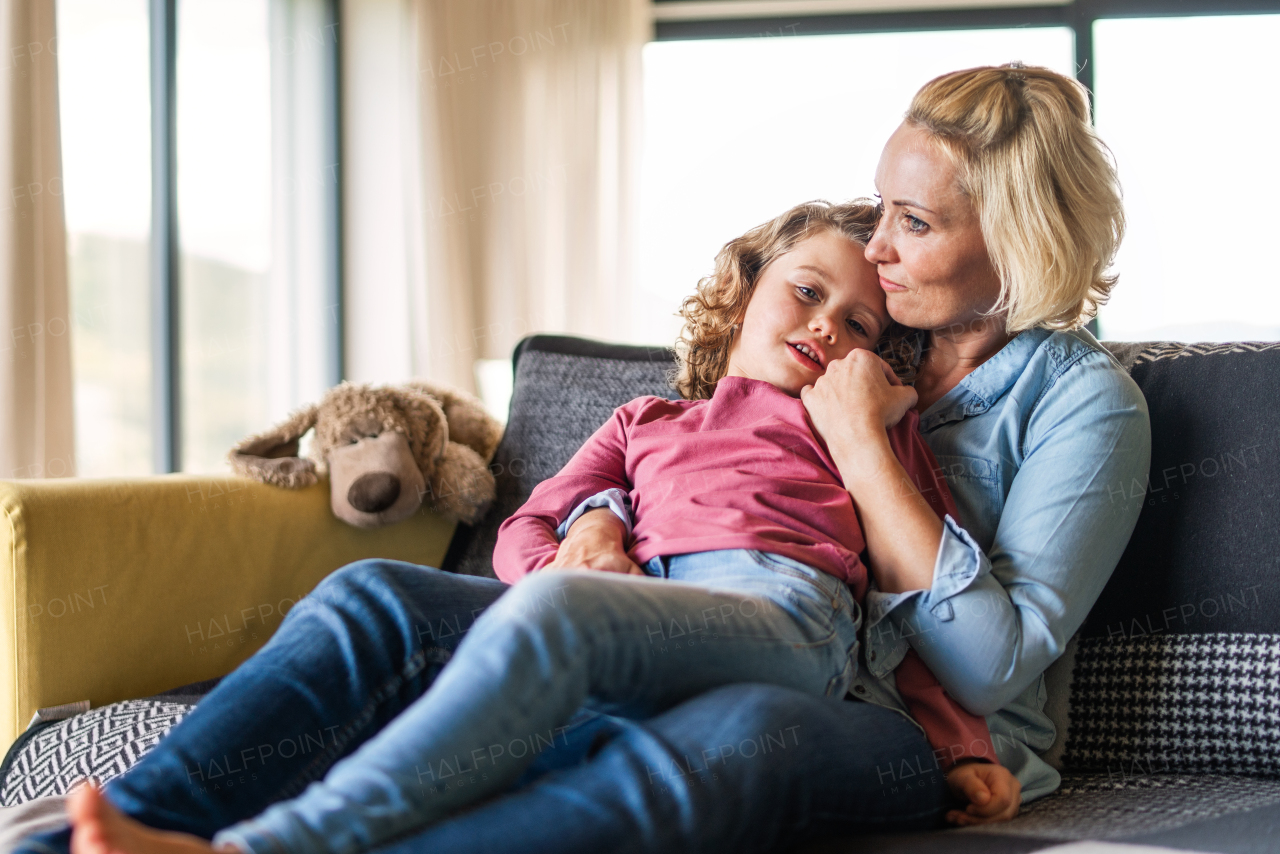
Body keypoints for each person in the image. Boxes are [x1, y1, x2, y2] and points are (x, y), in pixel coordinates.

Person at [21, 61, 1150, 854]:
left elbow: (989, 662)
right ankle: (94, 834)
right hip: (664, 615)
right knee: (375, 600)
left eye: (912, 223)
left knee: (726, 739)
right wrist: (587, 526)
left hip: (879, 717)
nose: (874, 244)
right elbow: (674, 457)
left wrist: (860, 442)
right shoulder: (843, 338)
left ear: (1013, 238)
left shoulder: (1059, 401)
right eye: (879, 214)